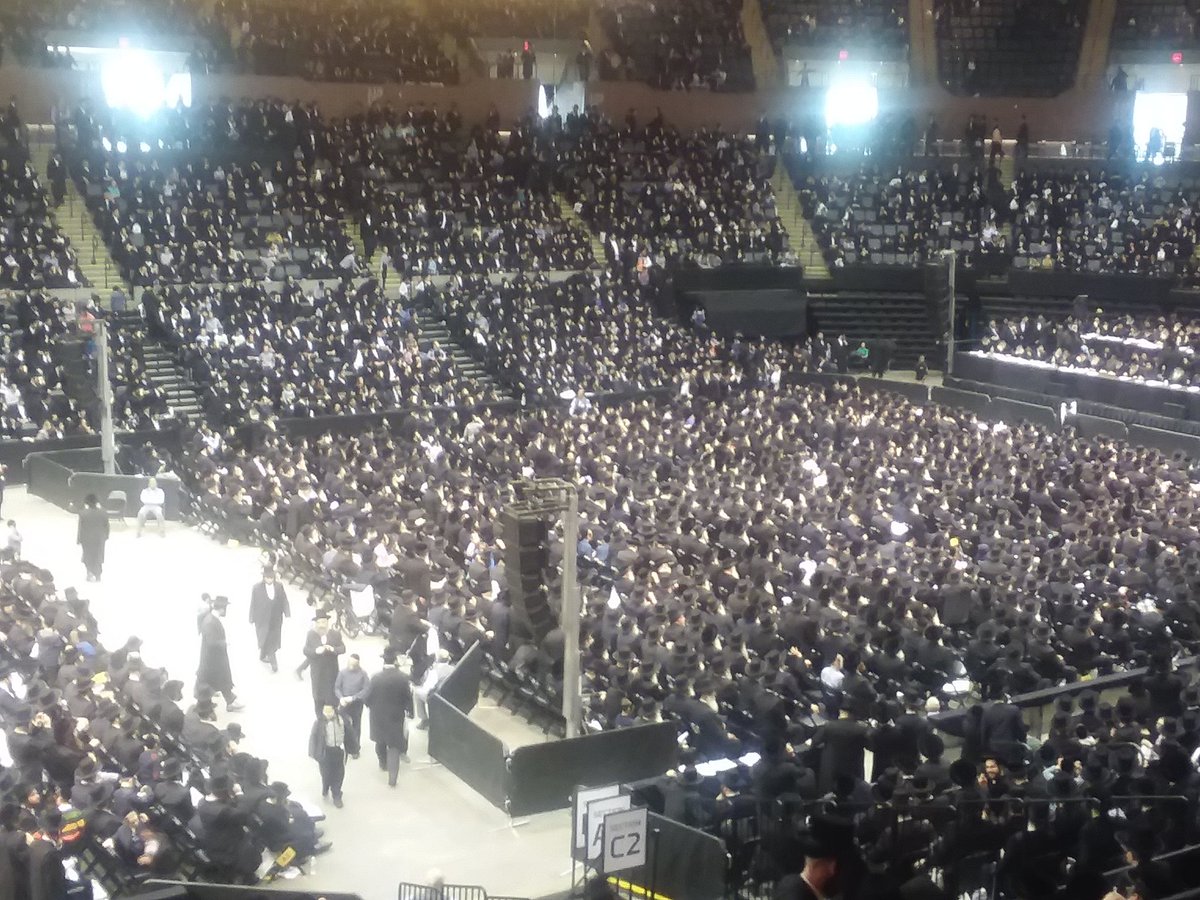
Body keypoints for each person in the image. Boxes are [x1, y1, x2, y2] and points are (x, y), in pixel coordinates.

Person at [366, 647, 412, 786]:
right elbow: (408, 697)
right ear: (395, 661)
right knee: (394, 746)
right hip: (395, 716)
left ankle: (383, 763)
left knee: (380, 741)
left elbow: (367, 697)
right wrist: (410, 711)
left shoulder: (375, 678)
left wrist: (370, 706)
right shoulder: (403, 678)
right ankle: (393, 778)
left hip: (378, 716)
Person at [197, 595, 242, 711]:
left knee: (220, 680)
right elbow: (212, 642)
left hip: (214, 658)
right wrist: (224, 643)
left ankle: (230, 701)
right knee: (210, 681)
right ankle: (203, 707)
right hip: (212, 659)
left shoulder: (211, 618)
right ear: (222, 609)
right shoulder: (210, 622)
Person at [302, 612, 346, 714]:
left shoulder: (335, 634)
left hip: (332, 672)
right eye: (319, 623)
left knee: (332, 697)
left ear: (327, 623)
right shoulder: (311, 635)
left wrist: (333, 649)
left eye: (323, 622)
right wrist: (315, 651)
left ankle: (333, 716)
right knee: (318, 697)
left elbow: (343, 648)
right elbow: (305, 650)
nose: (321, 625)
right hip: (317, 673)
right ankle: (320, 719)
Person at [249, 568, 290, 672]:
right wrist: (251, 617)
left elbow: (284, 599)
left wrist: (287, 612)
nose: (269, 580)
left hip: (276, 618)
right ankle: (273, 663)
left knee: (273, 639)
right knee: (265, 638)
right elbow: (253, 603)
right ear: (263, 577)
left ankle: (263, 655)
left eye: (271, 577)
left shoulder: (279, 586)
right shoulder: (256, 588)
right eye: (267, 577)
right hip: (262, 619)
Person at [308, 704, 349, 808]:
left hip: (338, 750)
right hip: (325, 752)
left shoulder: (341, 720)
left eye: (330, 712)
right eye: (325, 712)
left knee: (339, 774)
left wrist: (353, 747)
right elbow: (313, 737)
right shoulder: (319, 723)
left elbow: (349, 733)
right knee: (326, 773)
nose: (328, 714)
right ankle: (326, 784)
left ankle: (337, 794)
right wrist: (313, 752)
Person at [334, 653, 369, 756]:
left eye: (354, 664)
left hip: (356, 703)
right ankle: (344, 745)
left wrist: (353, 698)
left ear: (358, 664)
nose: (351, 666)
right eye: (350, 663)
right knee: (343, 724)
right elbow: (337, 687)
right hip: (344, 703)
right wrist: (341, 698)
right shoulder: (342, 673)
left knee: (356, 726)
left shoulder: (363, 674)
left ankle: (355, 749)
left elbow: (366, 689)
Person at [413, 649, 454, 729]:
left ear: (437, 659)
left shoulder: (434, 671)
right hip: (451, 697)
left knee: (417, 693)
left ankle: (424, 719)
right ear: (449, 659)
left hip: (438, 698)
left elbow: (428, 688)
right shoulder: (454, 669)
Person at [76, 493, 110, 582]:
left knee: (88, 556)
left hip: (86, 538)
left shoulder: (83, 513)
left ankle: (89, 573)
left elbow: (81, 528)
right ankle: (98, 575)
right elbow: (107, 526)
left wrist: (79, 539)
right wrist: (106, 536)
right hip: (99, 538)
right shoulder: (103, 512)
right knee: (98, 556)